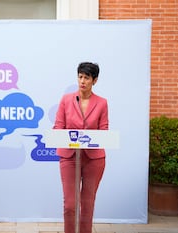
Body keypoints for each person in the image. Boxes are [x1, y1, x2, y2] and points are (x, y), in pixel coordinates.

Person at [53, 62, 108, 233]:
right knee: (70, 204)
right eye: (80, 77)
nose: (82, 81)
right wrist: (69, 138)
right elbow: (57, 128)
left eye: (87, 78)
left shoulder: (102, 103)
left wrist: (88, 138)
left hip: (94, 159)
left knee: (87, 204)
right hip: (70, 157)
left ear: (95, 80)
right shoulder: (66, 100)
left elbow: (104, 131)